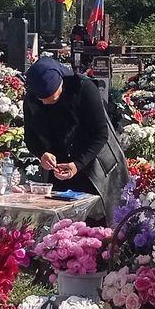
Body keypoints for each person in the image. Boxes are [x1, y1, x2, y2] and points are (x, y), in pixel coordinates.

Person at [23, 56, 129, 218]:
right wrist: (42, 153)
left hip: (92, 165)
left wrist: (77, 165)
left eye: (51, 97)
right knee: (61, 225)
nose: (45, 103)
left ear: (61, 83)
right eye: (41, 99)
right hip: (58, 171)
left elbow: (100, 134)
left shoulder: (83, 88)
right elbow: (30, 137)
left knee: (94, 225)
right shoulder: (33, 98)